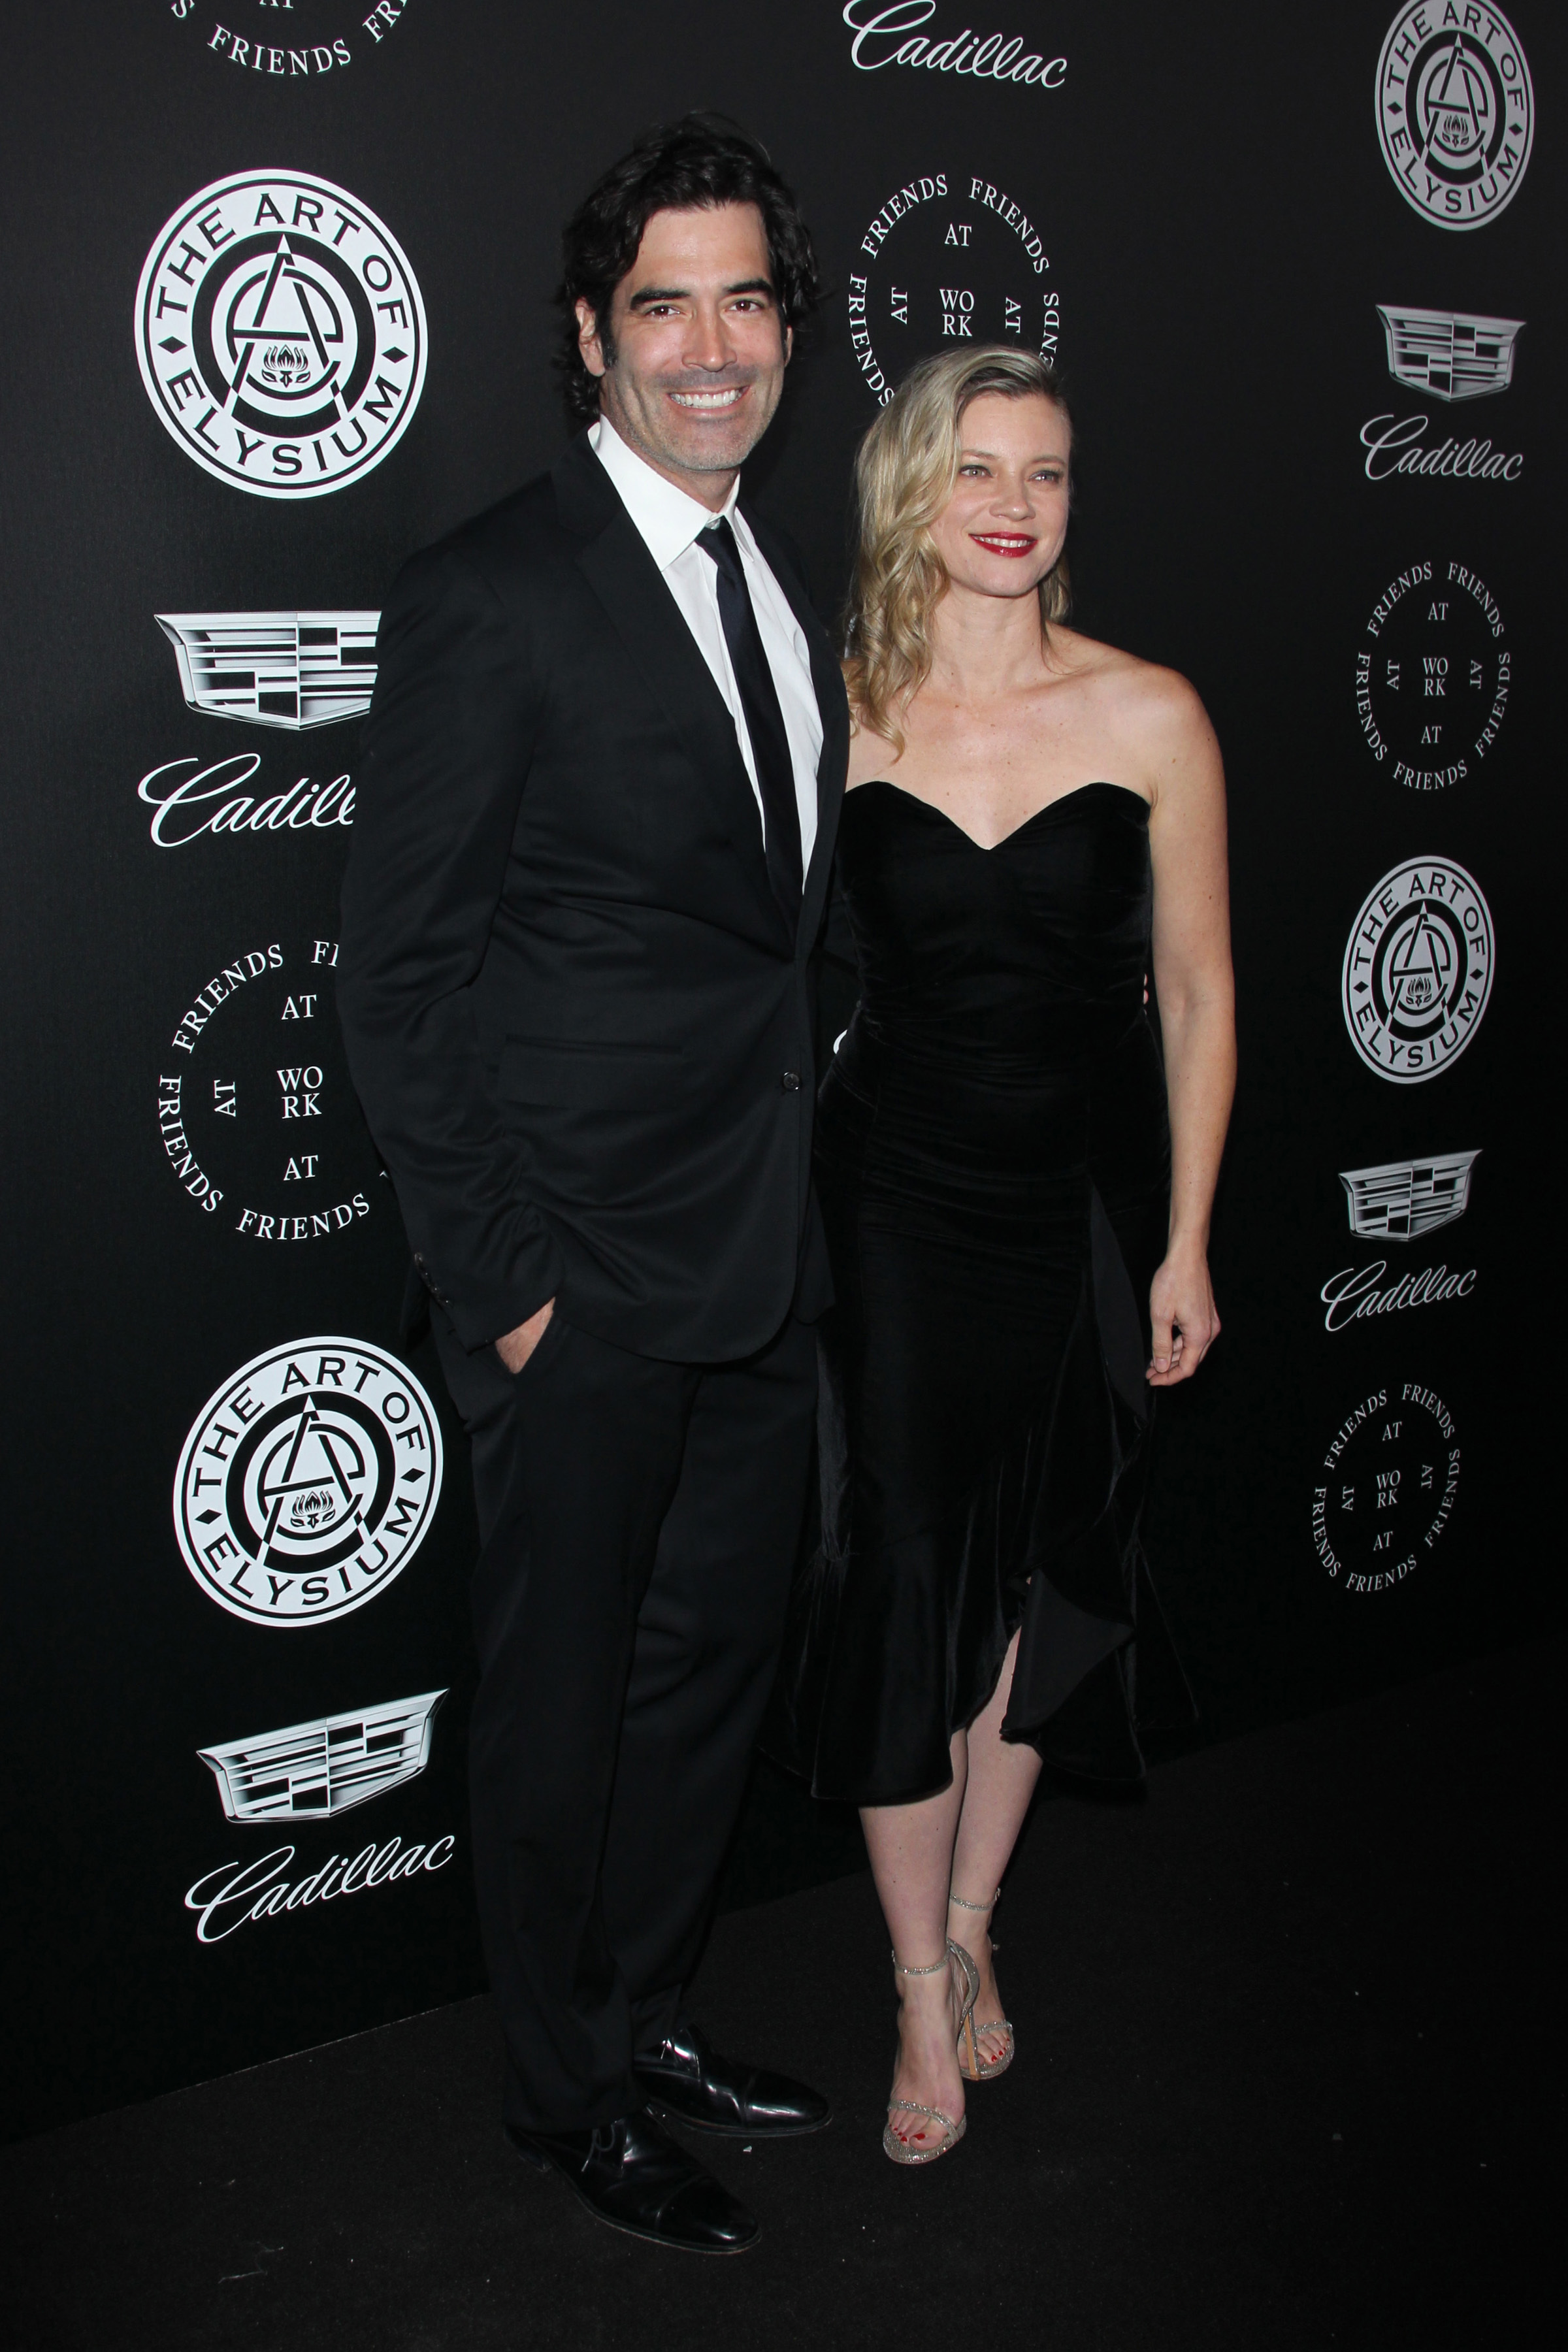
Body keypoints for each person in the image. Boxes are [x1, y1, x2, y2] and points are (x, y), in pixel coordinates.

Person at [337, 116, 849, 2255]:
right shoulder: (494, 592)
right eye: (664, 306)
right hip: (583, 1287)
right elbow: (398, 978)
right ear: (589, 335)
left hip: (761, 1265)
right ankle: (568, 2097)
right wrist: (514, 1291)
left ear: (791, 331)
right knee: (561, 1717)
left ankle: (648, 2016)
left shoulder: (781, 580)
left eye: (746, 301)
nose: (711, 347)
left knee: (705, 1685)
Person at [772, 346, 1235, 2164]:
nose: (1014, 505)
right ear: (912, 486)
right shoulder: (834, 708)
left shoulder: (1150, 711)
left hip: (1088, 1209)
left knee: (1047, 1576)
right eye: (976, 468)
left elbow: (1198, 993)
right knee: (906, 1578)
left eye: (1044, 473)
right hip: (892, 1203)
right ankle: (911, 1982)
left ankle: (972, 1925)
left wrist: (1187, 1238)